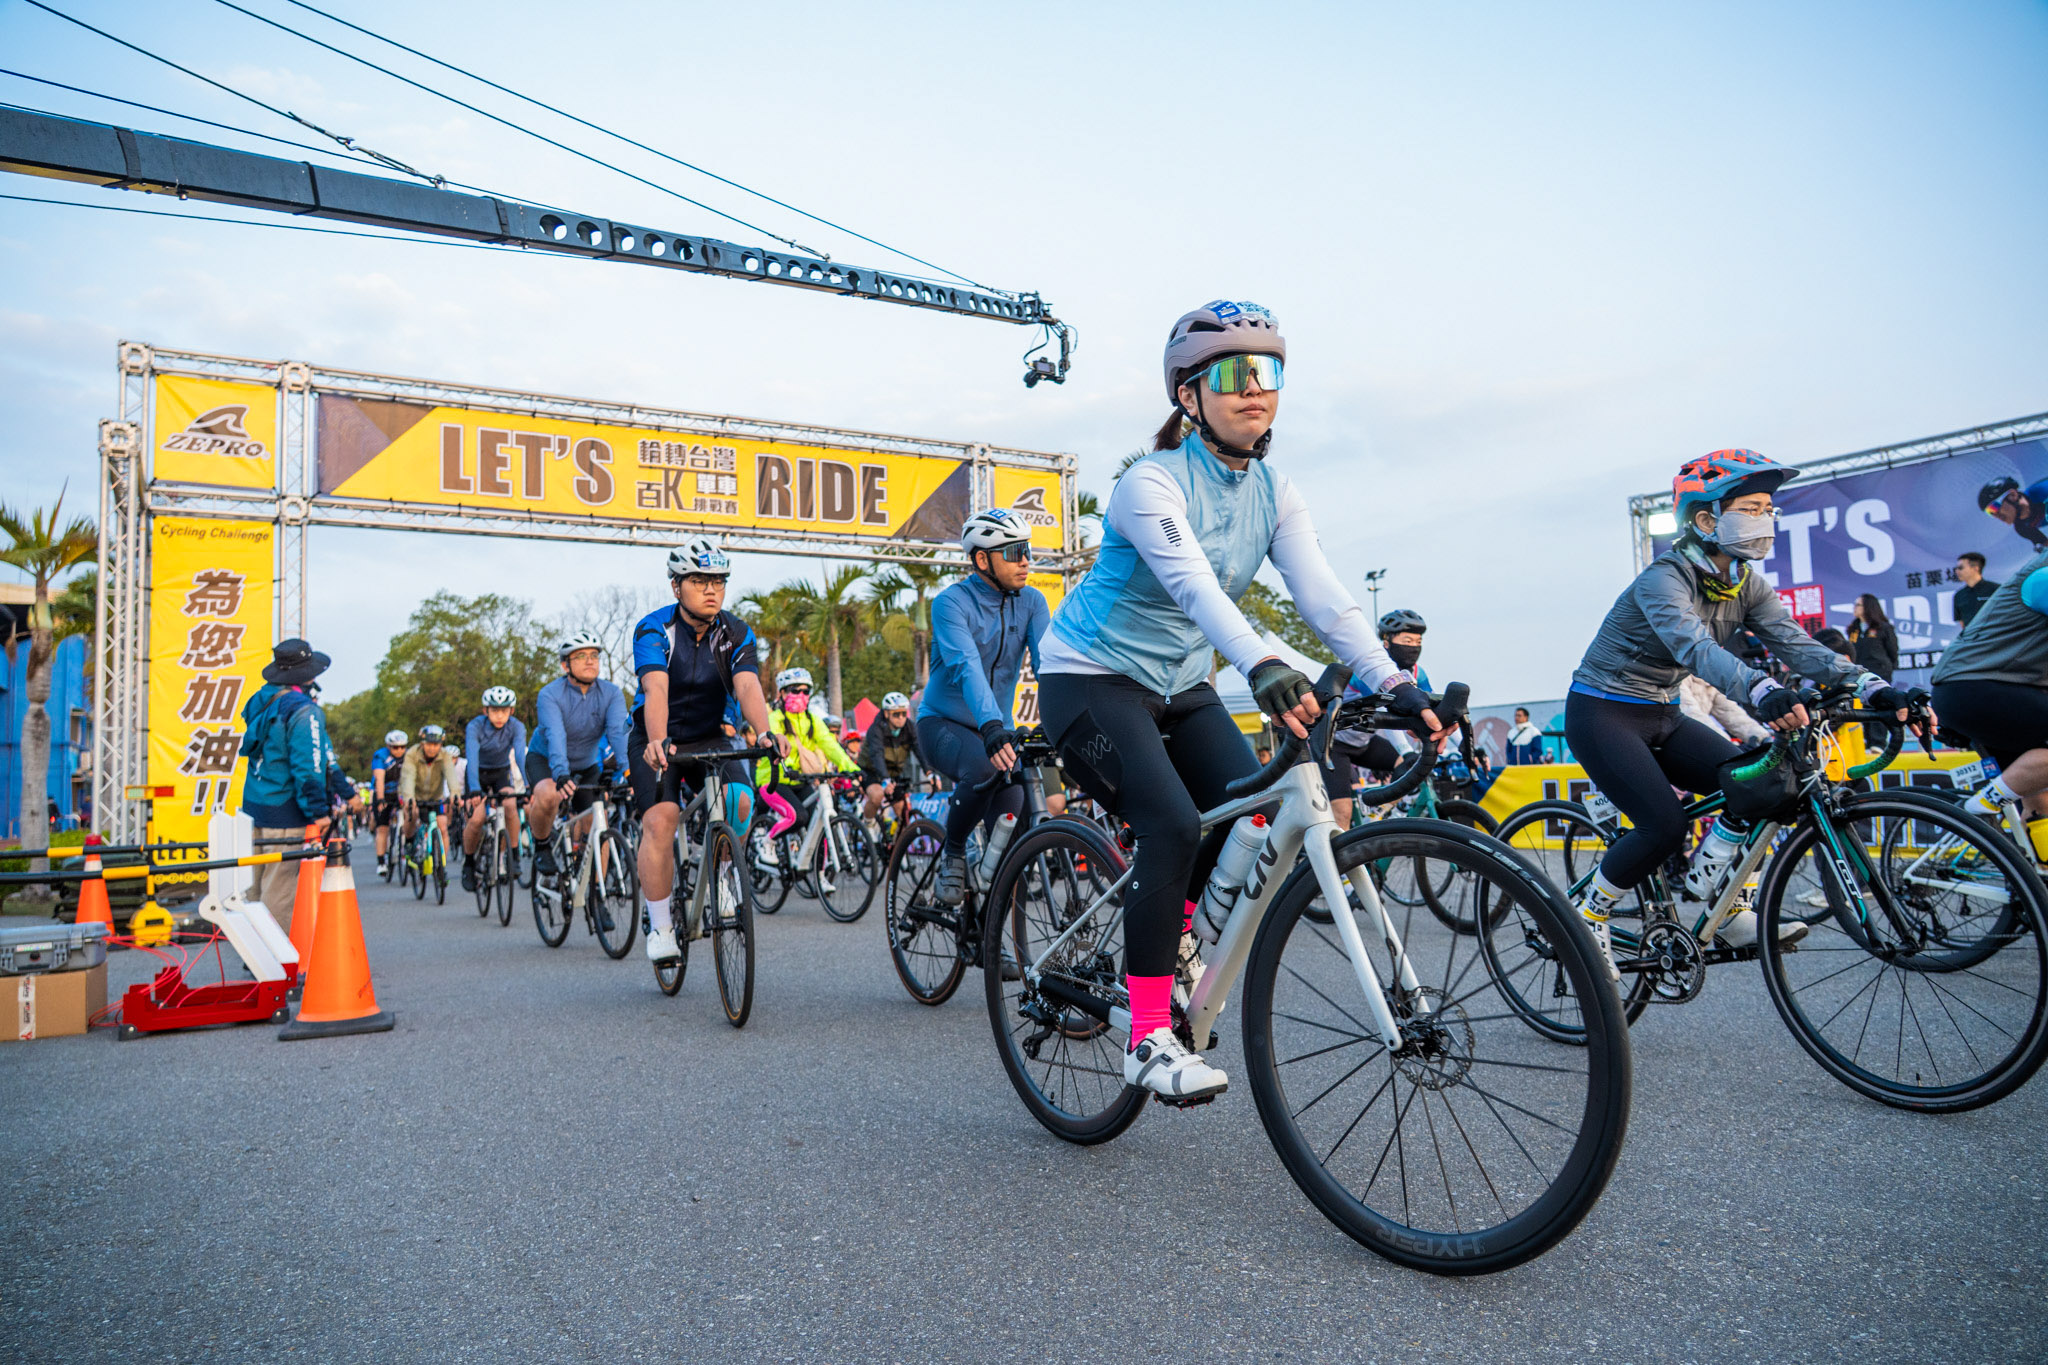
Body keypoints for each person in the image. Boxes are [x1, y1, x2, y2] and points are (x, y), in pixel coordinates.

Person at [1037, 299, 1446, 1102]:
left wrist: (1393, 682)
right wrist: (1262, 662)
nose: (1254, 387)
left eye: (1268, 371)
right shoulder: (1149, 483)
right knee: (1171, 822)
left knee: (1253, 810)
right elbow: (1193, 585)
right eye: (1231, 372)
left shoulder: (1275, 491)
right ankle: (1147, 1036)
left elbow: (1325, 599)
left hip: (1182, 685)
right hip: (1089, 679)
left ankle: (1177, 939)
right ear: (1188, 394)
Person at [1568, 450, 1911, 979]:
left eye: (1769, 509)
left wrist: (1872, 685)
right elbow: (1694, 647)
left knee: (1760, 785)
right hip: (1603, 712)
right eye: (1751, 508)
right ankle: (1586, 915)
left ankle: (1727, 908)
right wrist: (1762, 688)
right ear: (1707, 521)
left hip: (1663, 712)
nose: (1765, 520)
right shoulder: (1664, 579)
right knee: (1664, 826)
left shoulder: (1747, 583)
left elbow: (1797, 645)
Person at [628, 538, 782, 965]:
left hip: (710, 735)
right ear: (676, 586)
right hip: (657, 737)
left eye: (718, 581)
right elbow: (655, 688)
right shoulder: (653, 628)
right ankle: (661, 925)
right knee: (661, 820)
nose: (712, 589)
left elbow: (747, 685)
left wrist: (765, 733)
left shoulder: (736, 632)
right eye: (699, 581)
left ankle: (724, 874)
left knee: (741, 799)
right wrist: (657, 739)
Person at [916, 507, 1051, 908]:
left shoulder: (1033, 601)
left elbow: (1049, 665)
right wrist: (992, 725)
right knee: (983, 768)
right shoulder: (950, 603)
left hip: (997, 730)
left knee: (1013, 828)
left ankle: (989, 930)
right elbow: (966, 666)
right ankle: (953, 851)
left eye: (1027, 550)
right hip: (943, 724)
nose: (1025, 561)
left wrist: (1062, 717)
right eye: (1014, 552)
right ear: (981, 559)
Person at [1932, 544, 2048, 821]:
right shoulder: (2043, 577)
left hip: (1985, 688)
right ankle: (1979, 807)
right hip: (1978, 688)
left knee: (2039, 802)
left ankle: (2031, 849)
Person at [236, 639, 337, 935]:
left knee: (253, 888)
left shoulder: (261, 698)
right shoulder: (304, 710)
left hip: (253, 806)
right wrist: (319, 812)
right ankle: (275, 956)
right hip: (285, 812)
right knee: (279, 893)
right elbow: (308, 767)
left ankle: (253, 951)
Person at [528, 630, 631, 882]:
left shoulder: (611, 693)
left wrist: (630, 771)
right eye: (581, 656)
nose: (590, 661)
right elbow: (555, 734)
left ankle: (598, 893)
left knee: (599, 822)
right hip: (547, 761)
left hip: (586, 764)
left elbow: (618, 733)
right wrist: (561, 773)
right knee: (549, 796)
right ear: (566, 665)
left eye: (594, 655)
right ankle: (542, 845)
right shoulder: (550, 694)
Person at [1325, 609, 1430, 831]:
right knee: (1342, 812)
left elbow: (1432, 708)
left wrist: (1464, 745)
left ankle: (1375, 816)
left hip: (1364, 743)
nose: (1414, 647)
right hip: (1334, 744)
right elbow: (1386, 711)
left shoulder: (1416, 673)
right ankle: (1341, 852)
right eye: (1407, 641)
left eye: (1418, 642)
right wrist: (1405, 750)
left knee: (1407, 769)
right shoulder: (1366, 670)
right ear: (1386, 642)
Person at [755, 666, 854, 890]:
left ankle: (821, 877)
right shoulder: (774, 719)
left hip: (800, 780)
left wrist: (850, 767)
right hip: (773, 780)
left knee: (819, 823)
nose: (800, 695)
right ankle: (767, 842)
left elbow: (830, 745)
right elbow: (774, 744)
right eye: (794, 690)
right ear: (782, 693)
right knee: (797, 816)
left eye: (805, 691)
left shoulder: (812, 720)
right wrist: (786, 765)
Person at [459, 686, 528, 893]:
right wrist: (474, 789)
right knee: (477, 819)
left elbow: (520, 756)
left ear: (511, 711)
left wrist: (528, 784)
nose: (499, 716)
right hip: (477, 772)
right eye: (495, 710)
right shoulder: (475, 726)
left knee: (510, 805)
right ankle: (469, 863)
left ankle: (513, 855)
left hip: (500, 772)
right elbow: (472, 757)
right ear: (485, 711)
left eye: (504, 711)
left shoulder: (516, 727)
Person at [859, 691, 922, 834]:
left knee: (901, 809)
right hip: (871, 770)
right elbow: (876, 755)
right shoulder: (876, 729)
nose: (901, 718)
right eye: (896, 714)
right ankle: (868, 827)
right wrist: (885, 780)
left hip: (892, 771)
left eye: (904, 713)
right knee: (877, 796)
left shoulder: (909, 727)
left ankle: (896, 841)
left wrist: (930, 773)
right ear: (887, 714)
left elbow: (919, 750)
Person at [396, 724, 460, 865]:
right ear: (422, 743)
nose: (432, 748)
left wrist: (455, 794)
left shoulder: (445, 755)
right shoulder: (412, 754)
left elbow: (451, 776)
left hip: (435, 797)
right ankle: (408, 842)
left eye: (436, 745)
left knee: (443, 827)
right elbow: (408, 778)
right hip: (415, 795)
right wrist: (409, 798)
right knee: (412, 813)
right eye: (429, 744)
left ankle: (441, 865)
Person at [1677, 674, 1770, 745]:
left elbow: (1730, 712)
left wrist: (1762, 737)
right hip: (1679, 739)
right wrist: (1727, 743)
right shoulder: (1676, 676)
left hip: (1700, 737)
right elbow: (1691, 713)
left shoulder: (1708, 677)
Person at [370, 728, 408, 875]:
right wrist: (380, 799)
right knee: (383, 828)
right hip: (384, 792)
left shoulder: (409, 756)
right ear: (388, 746)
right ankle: (381, 862)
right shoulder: (381, 756)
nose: (399, 750)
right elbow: (379, 779)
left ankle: (406, 849)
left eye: (402, 747)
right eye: (395, 747)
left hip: (401, 793)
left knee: (409, 818)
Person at [1980, 475, 2048, 549]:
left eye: (1995, 506)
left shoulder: (2043, 492)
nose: (1996, 515)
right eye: (1990, 512)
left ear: (2013, 495)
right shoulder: (2022, 527)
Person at [1847, 593, 1899, 680]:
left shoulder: (1883, 627)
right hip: (1860, 675)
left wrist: (1888, 668)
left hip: (1880, 673)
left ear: (1867, 607)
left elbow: (1893, 651)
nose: (1854, 607)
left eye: (1858, 605)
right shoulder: (1853, 629)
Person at [1953, 552, 1999, 630]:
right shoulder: (1959, 595)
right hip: (1972, 636)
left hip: (1996, 634)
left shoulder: (1996, 589)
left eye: (1960, 568)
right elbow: (1962, 624)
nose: (1957, 571)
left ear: (1975, 568)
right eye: (1956, 568)